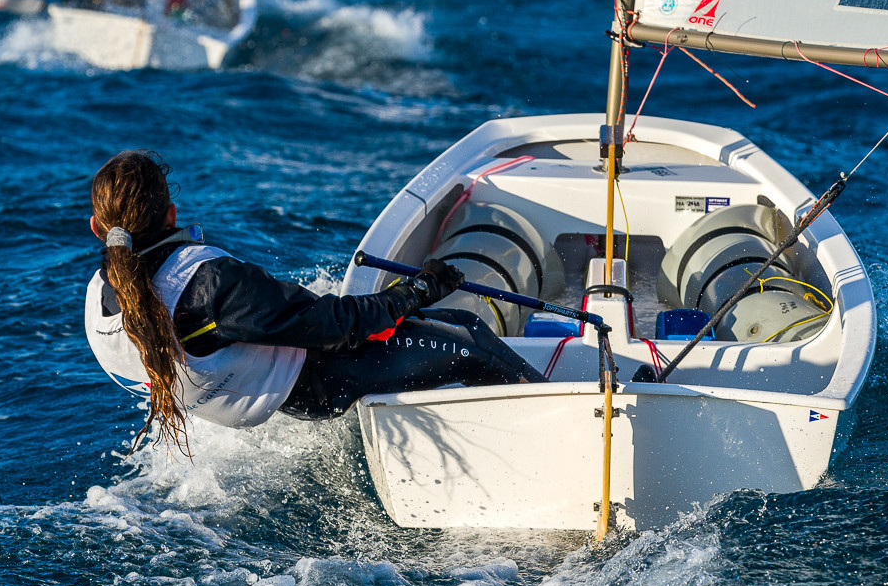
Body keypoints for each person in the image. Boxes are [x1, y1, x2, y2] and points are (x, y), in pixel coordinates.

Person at [83, 150, 545, 452]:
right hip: (321, 381)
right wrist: (417, 291)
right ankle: (553, 430)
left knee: (434, 326)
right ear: (172, 215)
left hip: (256, 395)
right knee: (468, 335)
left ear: (97, 230)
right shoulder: (208, 282)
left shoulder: (99, 298)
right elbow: (337, 325)